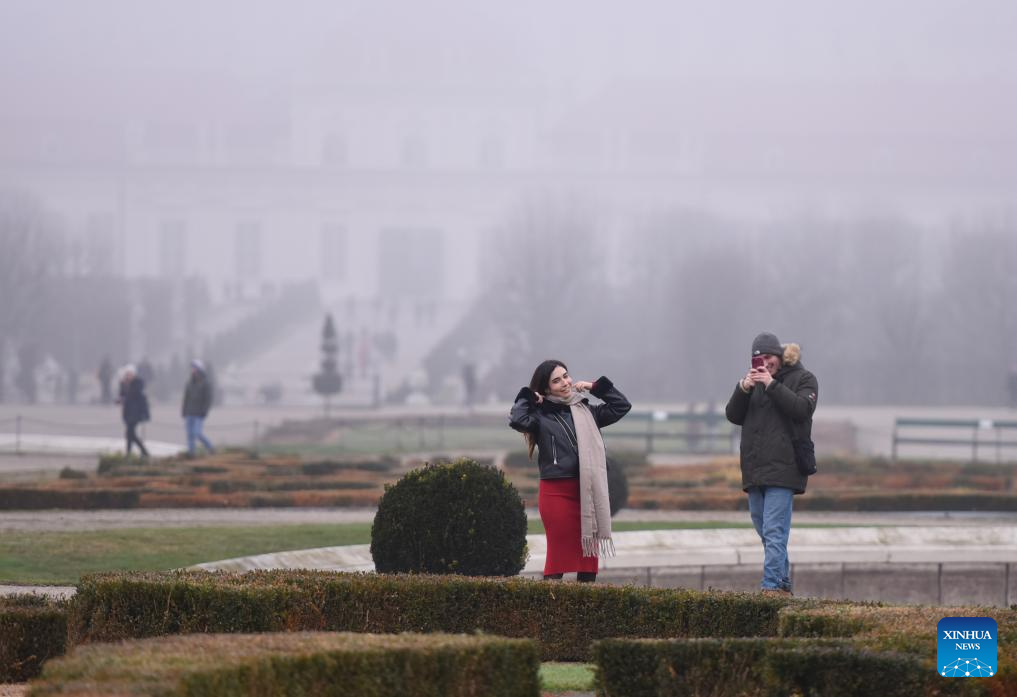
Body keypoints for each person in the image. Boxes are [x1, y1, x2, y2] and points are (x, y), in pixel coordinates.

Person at [509, 360, 631, 583]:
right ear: (546, 389)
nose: (565, 382)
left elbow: (622, 406)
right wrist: (528, 396)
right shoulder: (539, 417)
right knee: (558, 557)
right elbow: (517, 420)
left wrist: (595, 387)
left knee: (588, 558)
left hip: (587, 494)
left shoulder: (589, 411)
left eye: (566, 376)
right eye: (557, 380)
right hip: (556, 494)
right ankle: (549, 602)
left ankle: (585, 604)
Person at [725, 332, 818, 597]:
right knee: (765, 531)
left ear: (780, 356)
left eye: (769, 357)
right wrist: (743, 388)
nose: (765, 363)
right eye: (758, 359)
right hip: (755, 469)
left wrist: (771, 384)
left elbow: (802, 409)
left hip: (784, 468)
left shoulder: (804, 378)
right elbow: (733, 415)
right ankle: (782, 581)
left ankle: (771, 587)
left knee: (775, 530)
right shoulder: (753, 384)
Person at [182, 359, 215, 457]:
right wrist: (184, 410)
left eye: (194, 368)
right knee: (189, 434)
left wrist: (204, 411)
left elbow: (208, 399)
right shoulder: (189, 383)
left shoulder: (206, 383)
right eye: (192, 368)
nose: (193, 370)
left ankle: (210, 447)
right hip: (189, 412)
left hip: (199, 413)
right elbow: (186, 398)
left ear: (200, 369)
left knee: (197, 433)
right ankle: (191, 453)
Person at [118, 364, 150, 458]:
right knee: (130, 434)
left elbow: (136, 397)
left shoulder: (137, 384)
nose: (128, 376)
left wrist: (144, 414)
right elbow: (122, 395)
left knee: (130, 433)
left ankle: (140, 452)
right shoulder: (125, 384)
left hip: (135, 413)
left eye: (130, 374)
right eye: (127, 374)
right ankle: (133, 453)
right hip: (128, 412)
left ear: (134, 374)